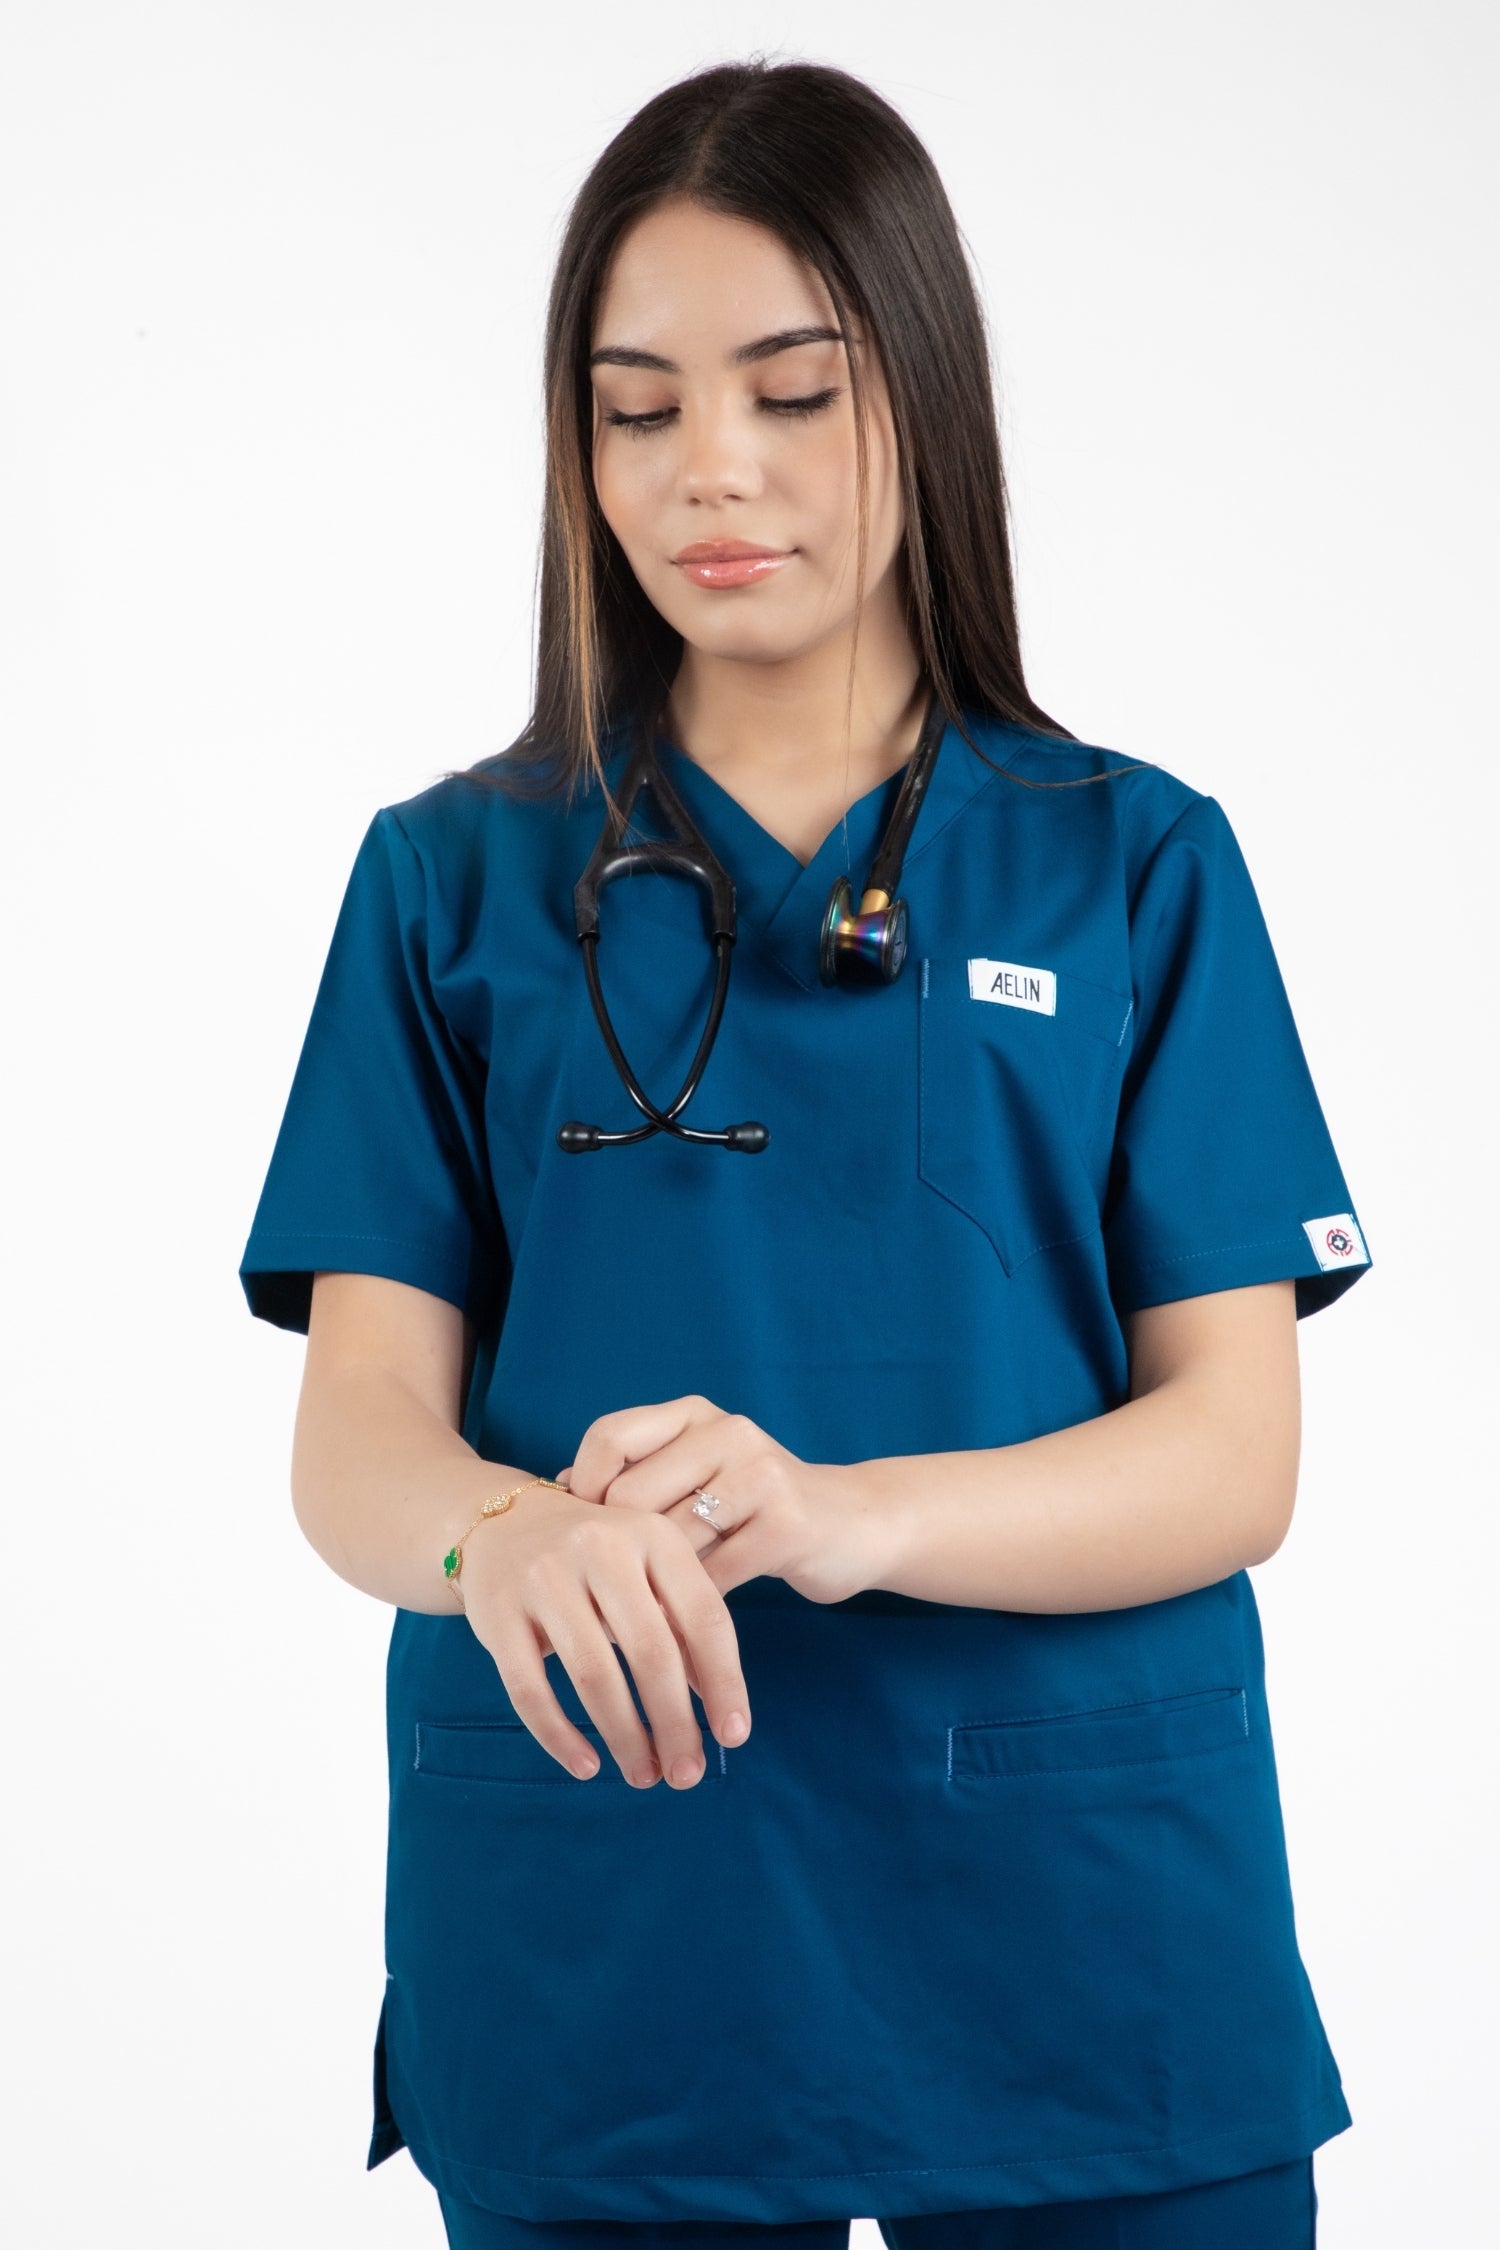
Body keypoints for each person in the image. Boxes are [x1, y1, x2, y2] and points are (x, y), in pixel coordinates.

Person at [238, 57, 1371, 2250]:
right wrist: (502, 1547)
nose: (711, 472)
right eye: (637, 406)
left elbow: (1237, 1456)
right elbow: (357, 1433)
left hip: (1084, 1937)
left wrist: (847, 1515)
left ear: (919, 403)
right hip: (610, 1940)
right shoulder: (449, 884)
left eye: (793, 391)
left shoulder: (1132, 869)